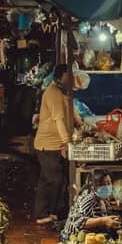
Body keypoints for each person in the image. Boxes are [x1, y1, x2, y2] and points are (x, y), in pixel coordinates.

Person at [33, 64, 82, 225]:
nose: (70, 80)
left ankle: (51, 212)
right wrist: (66, 142)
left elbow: (72, 112)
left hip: (55, 144)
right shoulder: (52, 93)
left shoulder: (63, 93)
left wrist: (82, 126)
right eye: (67, 77)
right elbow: (59, 120)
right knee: (51, 179)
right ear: (59, 77)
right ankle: (41, 214)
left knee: (54, 179)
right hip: (48, 144)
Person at [60, 171, 122, 242]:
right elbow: (78, 222)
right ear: (93, 186)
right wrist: (104, 220)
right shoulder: (90, 198)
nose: (107, 187)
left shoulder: (104, 197)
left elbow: (103, 215)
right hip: (74, 239)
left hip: (90, 236)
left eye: (109, 183)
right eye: (102, 184)